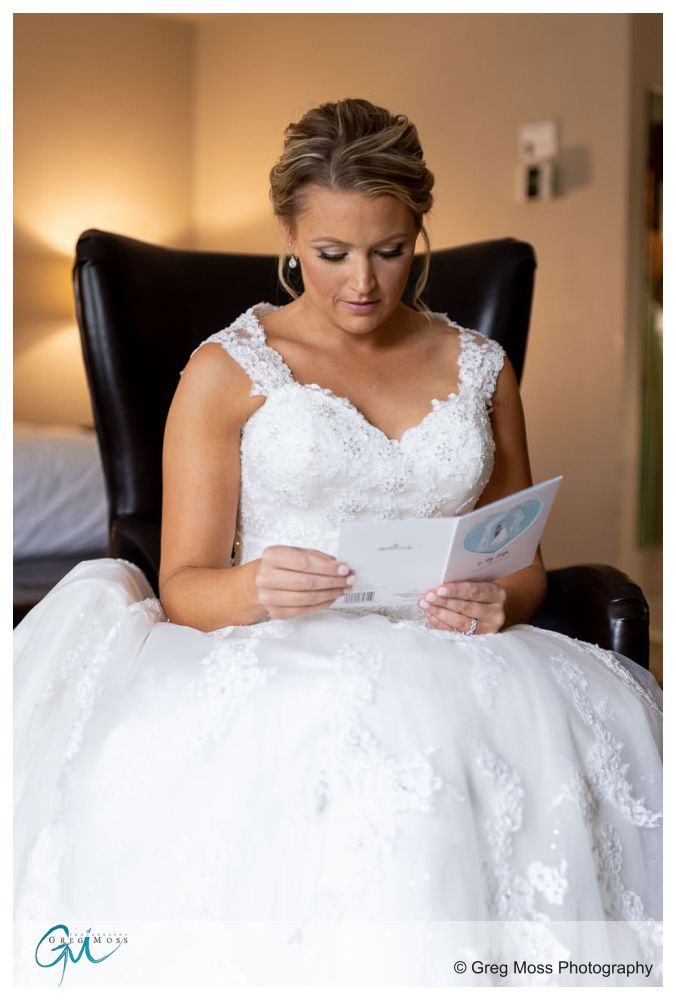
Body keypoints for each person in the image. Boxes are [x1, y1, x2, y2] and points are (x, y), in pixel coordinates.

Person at [14, 99, 662, 987]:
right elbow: (182, 584)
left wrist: (496, 601)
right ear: (289, 234)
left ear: (418, 232)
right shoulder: (226, 370)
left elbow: (518, 556)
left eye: (390, 250)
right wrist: (256, 589)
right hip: (275, 651)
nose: (363, 282)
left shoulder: (480, 366)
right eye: (332, 254)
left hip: (459, 653)